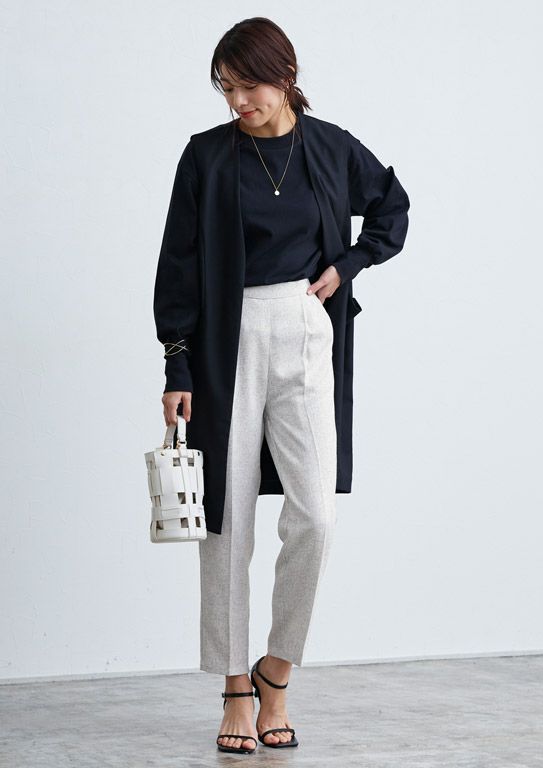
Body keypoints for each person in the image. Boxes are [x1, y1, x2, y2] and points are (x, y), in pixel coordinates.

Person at [153, 16, 410, 756]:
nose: (239, 102)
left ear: (286, 76)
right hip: (224, 340)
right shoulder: (206, 156)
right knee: (227, 521)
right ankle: (236, 685)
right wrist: (177, 364)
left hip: (303, 326)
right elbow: (178, 262)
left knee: (316, 515)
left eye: (249, 87)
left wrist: (348, 266)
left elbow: (391, 208)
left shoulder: (329, 147)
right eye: (226, 89)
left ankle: (278, 670)